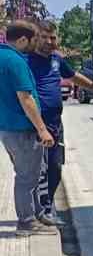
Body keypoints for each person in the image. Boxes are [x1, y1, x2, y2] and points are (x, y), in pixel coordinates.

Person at [26, 24, 93, 224]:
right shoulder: (27, 61)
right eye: (44, 37)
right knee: (38, 169)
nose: (49, 42)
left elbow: (73, 77)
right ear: (36, 38)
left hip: (56, 124)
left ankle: (47, 205)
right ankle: (40, 210)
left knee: (55, 165)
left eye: (52, 37)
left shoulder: (57, 60)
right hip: (35, 125)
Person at [0, 21, 56, 233]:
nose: (36, 43)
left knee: (29, 172)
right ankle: (26, 222)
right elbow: (26, 98)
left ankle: (36, 214)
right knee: (27, 177)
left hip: (7, 129)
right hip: (23, 130)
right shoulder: (15, 61)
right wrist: (42, 129)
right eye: (34, 39)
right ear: (23, 39)